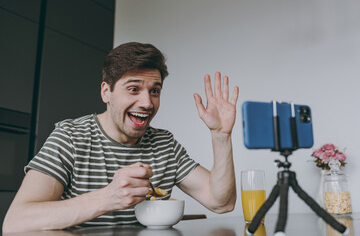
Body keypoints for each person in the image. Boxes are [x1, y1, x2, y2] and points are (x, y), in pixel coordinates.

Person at [2, 42, 239, 233]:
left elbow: (222, 202)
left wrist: (220, 136)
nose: (147, 103)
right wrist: (108, 197)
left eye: (154, 91)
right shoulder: (70, 137)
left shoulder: (164, 144)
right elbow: (15, 222)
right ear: (106, 92)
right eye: (134, 89)